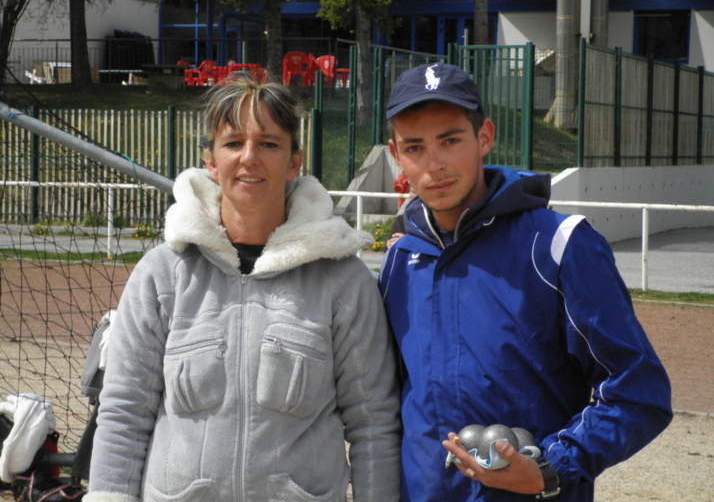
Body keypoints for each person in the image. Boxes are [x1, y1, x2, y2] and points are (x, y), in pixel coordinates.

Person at [85, 76, 401, 502]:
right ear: (211, 162)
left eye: (269, 144)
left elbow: (373, 423)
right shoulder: (163, 275)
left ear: (294, 162)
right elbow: (124, 412)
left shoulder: (342, 281)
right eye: (233, 143)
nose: (250, 158)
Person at [378, 62, 672, 502]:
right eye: (415, 147)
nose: (433, 165)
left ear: (484, 137)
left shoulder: (559, 244)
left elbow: (639, 391)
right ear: (396, 155)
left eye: (450, 140)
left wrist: (550, 467)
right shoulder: (401, 260)